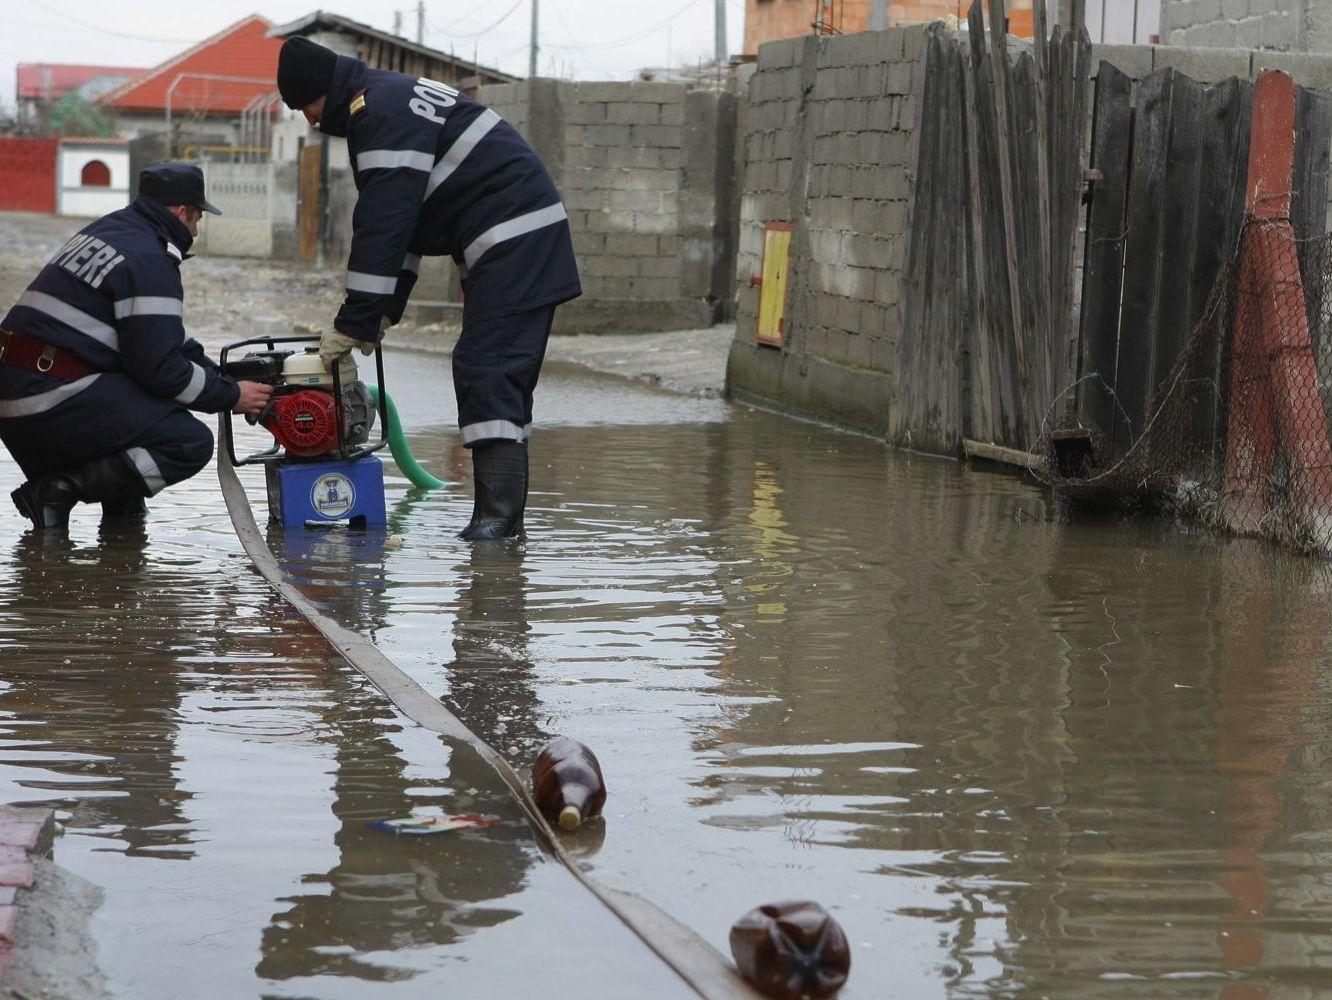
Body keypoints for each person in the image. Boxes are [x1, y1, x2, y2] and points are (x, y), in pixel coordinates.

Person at [275, 36, 582, 540]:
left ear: (322, 90)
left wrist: (354, 318)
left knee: (488, 366)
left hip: (515, 239)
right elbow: (410, 226)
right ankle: (504, 527)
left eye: (305, 106)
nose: (309, 120)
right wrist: (380, 313)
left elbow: (385, 223)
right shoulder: (383, 98)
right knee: (494, 369)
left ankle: (497, 527)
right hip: (515, 238)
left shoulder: (377, 113)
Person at [0, 164, 273, 531]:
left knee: (141, 416)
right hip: (44, 402)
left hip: (24, 397)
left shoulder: (114, 230)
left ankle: (119, 522)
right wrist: (231, 395)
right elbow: (160, 370)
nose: (195, 230)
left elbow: (160, 340)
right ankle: (56, 491)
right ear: (181, 212)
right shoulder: (150, 258)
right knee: (187, 441)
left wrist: (221, 375)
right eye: (196, 220)